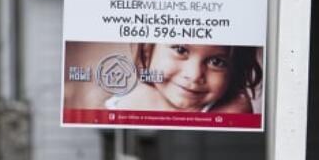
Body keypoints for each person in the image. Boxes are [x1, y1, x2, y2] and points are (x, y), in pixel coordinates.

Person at [107, 43, 262, 113]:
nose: (194, 75)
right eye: (180, 50)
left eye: (216, 62)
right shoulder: (127, 102)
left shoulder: (232, 109)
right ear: (148, 49)